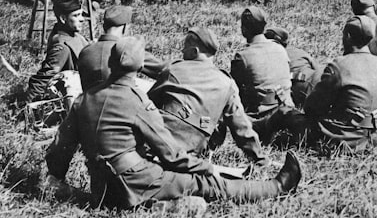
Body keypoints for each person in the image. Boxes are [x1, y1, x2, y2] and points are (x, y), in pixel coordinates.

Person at [44, 37, 302, 209]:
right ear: (140, 66)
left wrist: (57, 179)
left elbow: (59, 150)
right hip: (134, 182)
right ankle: (275, 187)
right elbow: (171, 156)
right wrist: (205, 167)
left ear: (111, 62)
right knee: (207, 185)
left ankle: (161, 206)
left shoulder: (84, 98)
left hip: (100, 186)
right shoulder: (137, 102)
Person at [148, 28, 269, 166]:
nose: (182, 52)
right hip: (190, 156)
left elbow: (146, 105)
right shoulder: (227, 84)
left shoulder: (173, 70)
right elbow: (241, 127)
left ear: (195, 52)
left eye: (184, 48)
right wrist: (260, 159)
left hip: (155, 146)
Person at [301, 16, 377, 150]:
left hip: (337, 140)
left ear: (348, 36)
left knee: (288, 117)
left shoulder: (339, 66)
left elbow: (312, 107)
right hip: (371, 141)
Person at [230, 6, 294, 138]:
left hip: (261, 114)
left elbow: (233, 92)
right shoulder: (280, 48)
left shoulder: (243, 56)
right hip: (286, 107)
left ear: (244, 29)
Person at [78, 5, 166, 90]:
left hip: (88, 102)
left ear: (104, 26)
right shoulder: (127, 50)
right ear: (125, 28)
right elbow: (164, 70)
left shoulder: (85, 51)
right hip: (123, 102)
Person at [25, 0, 90, 102]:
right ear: (63, 19)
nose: (82, 19)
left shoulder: (73, 35)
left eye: (81, 14)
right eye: (76, 15)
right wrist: (29, 105)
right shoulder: (61, 47)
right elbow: (44, 77)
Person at [264, 26, 321, 106]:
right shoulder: (298, 51)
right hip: (318, 79)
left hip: (303, 89)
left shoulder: (269, 54)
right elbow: (316, 67)